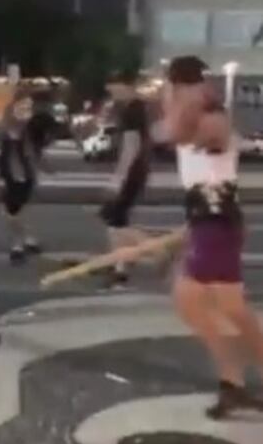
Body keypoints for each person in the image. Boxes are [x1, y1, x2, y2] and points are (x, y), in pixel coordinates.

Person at [164, 55, 263, 419]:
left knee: (200, 301)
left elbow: (177, 134)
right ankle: (232, 383)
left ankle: (234, 382)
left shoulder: (211, 117)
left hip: (218, 224)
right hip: (209, 222)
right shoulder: (197, 111)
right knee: (227, 308)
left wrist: (180, 100)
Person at [98, 70, 152, 289]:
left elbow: (132, 147)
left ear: (124, 86)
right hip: (137, 169)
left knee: (114, 219)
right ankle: (120, 267)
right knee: (116, 220)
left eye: (113, 89)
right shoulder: (135, 108)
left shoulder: (133, 110)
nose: (112, 93)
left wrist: (118, 178)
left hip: (133, 171)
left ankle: (154, 248)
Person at [0, 88, 45, 264]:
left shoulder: (28, 127)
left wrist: (38, 168)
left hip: (25, 170)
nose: (27, 111)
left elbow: (32, 151)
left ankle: (25, 240)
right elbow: (12, 152)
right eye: (23, 106)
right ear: (14, 106)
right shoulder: (11, 126)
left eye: (29, 107)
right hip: (14, 170)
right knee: (13, 209)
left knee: (19, 208)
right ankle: (19, 244)